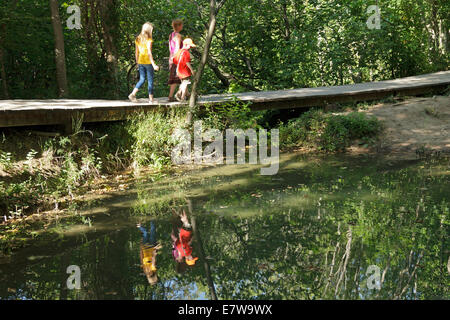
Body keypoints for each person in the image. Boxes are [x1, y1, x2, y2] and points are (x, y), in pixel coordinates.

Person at [128, 22, 160, 104]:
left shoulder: (138, 38)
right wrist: (154, 64)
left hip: (140, 61)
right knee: (150, 80)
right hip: (148, 62)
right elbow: (149, 52)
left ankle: (133, 94)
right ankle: (151, 100)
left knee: (142, 79)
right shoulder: (149, 40)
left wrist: (137, 62)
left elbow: (136, 52)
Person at [167, 19, 183, 102]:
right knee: (176, 77)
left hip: (171, 57)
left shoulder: (171, 35)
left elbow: (170, 48)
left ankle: (186, 94)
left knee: (181, 77)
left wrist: (171, 57)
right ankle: (171, 96)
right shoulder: (178, 35)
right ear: (179, 26)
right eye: (181, 25)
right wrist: (178, 58)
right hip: (176, 58)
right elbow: (177, 47)